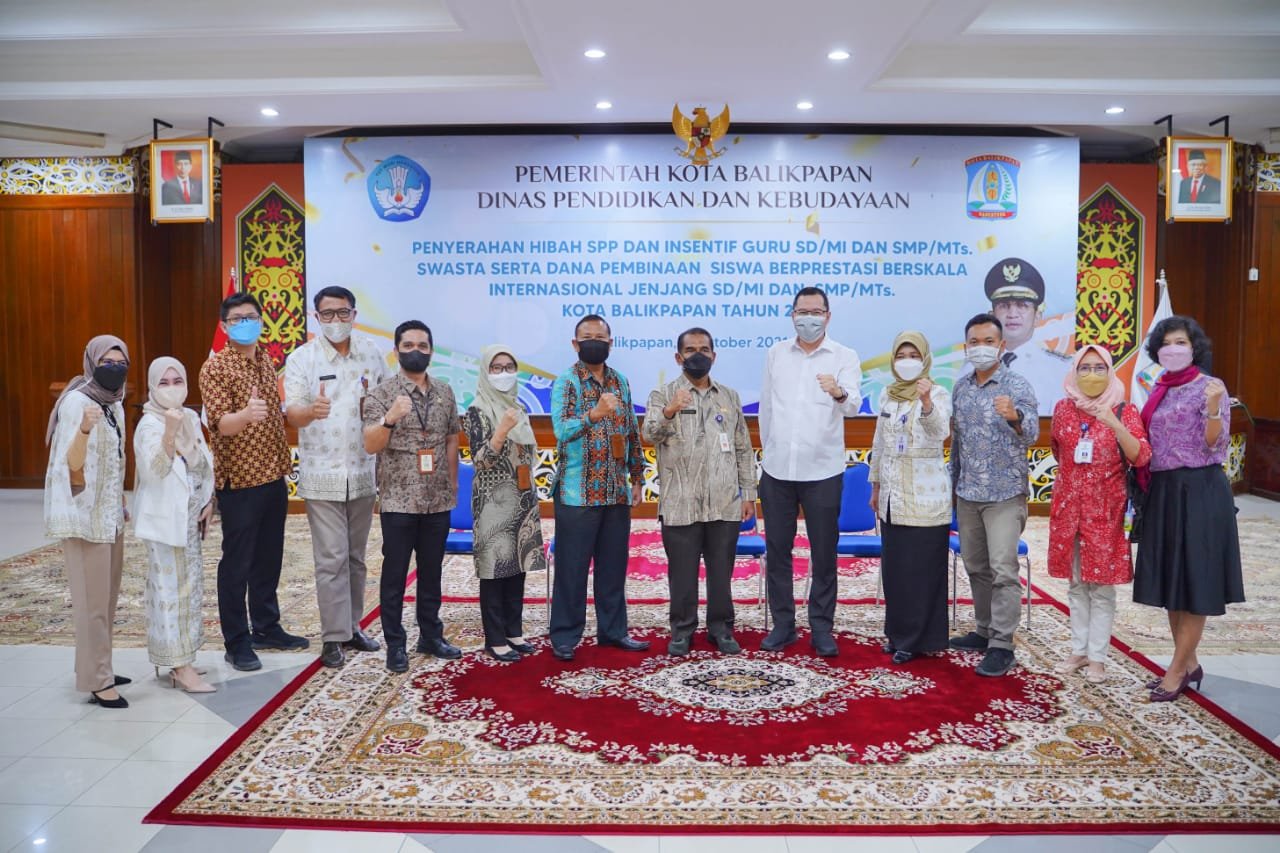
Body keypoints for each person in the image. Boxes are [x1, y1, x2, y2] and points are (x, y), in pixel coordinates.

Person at [1133, 316, 1243, 701]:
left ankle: (1176, 671)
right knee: (1171, 581)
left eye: (1180, 341)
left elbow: (1215, 445)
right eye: (1166, 343)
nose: (1173, 348)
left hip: (1200, 490)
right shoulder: (1157, 387)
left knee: (1195, 580)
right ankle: (1190, 662)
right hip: (1163, 490)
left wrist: (1214, 408)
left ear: (1193, 346)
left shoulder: (1209, 386)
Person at [200, 292, 308, 673]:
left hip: (272, 474)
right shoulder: (215, 369)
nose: (246, 322)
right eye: (237, 318)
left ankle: (266, 626)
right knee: (237, 563)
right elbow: (218, 425)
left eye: (252, 316)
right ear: (225, 326)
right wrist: (244, 415)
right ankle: (236, 640)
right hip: (240, 481)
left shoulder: (265, 359)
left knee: (269, 557)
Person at [284, 285, 389, 669]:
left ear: (354, 314)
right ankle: (332, 637)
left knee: (356, 557)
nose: (336, 321)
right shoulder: (302, 359)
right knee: (331, 557)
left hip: (362, 470)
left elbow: (385, 403)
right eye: (327, 314)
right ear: (316, 318)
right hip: (322, 472)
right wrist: (311, 411)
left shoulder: (372, 354)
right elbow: (292, 414)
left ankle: (352, 627)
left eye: (343, 313)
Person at [758, 286, 861, 657]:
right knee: (778, 550)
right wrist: (769, 451)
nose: (809, 318)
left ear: (828, 316)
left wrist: (837, 392)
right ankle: (783, 625)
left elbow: (853, 407)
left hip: (823, 471)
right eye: (802, 311)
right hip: (778, 469)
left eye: (816, 311)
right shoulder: (775, 354)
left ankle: (821, 626)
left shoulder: (844, 356)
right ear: (792, 314)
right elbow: (767, 408)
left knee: (823, 553)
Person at [642, 327, 756, 657]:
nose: (698, 355)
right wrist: (669, 411)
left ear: (714, 356)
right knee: (682, 573)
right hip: (680, 502)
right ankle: (682, 630)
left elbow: (743, 447)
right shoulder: (662, 394)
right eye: (690, 350)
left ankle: (721, 628)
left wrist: (748, 492)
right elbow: (650, 435)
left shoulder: (729, 396)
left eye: (704, 349)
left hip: (724, 501)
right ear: (678, 357)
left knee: (722, 572)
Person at [362, 320, 461, 673]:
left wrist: (452, 482)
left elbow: (452, 437)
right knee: (395, 573)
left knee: (432, 570)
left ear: (432, 351)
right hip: (398, 500)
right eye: (408, 345)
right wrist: (390, 419)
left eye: (422, 345)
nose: (415, 351)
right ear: (396, 351)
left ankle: (431, 636)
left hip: (437, 497)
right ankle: (395, 643)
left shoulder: (445, 392)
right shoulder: (381, 395)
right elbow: (370, 443)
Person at [1048, 345, 1151, 684]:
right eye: (1084, 368)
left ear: (1110, 372)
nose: (1091, 374)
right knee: (1077, 584)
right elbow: (1058, 451)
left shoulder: (1124, 410)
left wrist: (1114, 424)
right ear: (1074, 372)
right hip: (1068, 511)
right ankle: (1078, 650)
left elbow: (1140, 457)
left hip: (1106, 512)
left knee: (1101, 588)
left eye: (1099, 368)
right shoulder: (1063, 408)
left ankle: (1098, 658)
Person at [548, 315, 647, 662]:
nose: (594, 342)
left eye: (600, 337)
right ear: (575, 344)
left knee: (612, 567)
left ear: (610, 343)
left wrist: (637, 477)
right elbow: (561, 430)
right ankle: (564, 635)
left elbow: (632, 431)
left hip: (615, 491)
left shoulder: (620, 381)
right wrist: (594, 413)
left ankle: (614, 631)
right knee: (572, 569)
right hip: (577, 493)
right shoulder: (566, 383)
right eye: (586, 337)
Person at [43, 335, 131, 708]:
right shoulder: (78, 402)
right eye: (106, 362)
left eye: (119, 361)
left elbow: (117, 460)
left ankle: (100, 665)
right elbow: (69, 463)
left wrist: (121, 502)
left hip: (109, 516)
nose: (113, 368)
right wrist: (82, 429)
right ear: (91, 363)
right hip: (84, 520)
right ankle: (97, 680)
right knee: (90, 602)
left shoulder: (115, 403)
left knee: (107, 600)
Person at [949, 313, 1039, 677]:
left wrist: (1015, 416)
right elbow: (957, 441)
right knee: (976, 567)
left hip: (1004, 494)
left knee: (1003, 569)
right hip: (968, 493)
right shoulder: (961, 387)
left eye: (989, 341)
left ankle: (1002, 644)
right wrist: (953, 486)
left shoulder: (1017, 384)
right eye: (975, 342)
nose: (981, 347)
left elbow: (1031, 433)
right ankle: (984, 630)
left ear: (1001, 346)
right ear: (966, 346)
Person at [868, 331, 952, 665]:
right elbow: (878, 444)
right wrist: (875, 486)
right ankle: (898, 634)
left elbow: (940, 433)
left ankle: (920, 639)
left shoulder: (939, 393)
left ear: (925, 358)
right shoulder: (888, 396)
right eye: (901, 355)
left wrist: (927, 402)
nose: (906, 362)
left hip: (926, 497)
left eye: (912, 355)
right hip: (891, 497)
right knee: (897, 571)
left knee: (922, 571)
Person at [134, 357, 217, 693]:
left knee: (190, 589)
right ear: (152, 387)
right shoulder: (149, 425)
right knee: (171, 592)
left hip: (189, 519)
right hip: (165, 522)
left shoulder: (191, 418)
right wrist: (169, 432)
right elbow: (154, 472)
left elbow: (201, 462)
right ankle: (179, 667)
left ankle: (185, 656)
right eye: (163, 383)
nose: (172, 389)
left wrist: (208, 500)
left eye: (177, 381)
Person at [461, 345, 546, 662]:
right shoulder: (477, 411)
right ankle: (495, 638)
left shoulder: (518, 407)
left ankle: (514, 631)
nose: (503, 372)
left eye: (509, 366)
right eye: (496, 367)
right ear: (485, 372)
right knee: (495, 570)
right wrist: (500, 432)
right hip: (493, 503)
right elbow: (480, 461)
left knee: (518, 567)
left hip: (522, 498)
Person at [980, 257, 1071, 413]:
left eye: (1022, 305)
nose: (1012, 314)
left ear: (1037, 316)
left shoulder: (1061, 370)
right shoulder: (973, 367)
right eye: (1004, 306)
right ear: (992, 315)